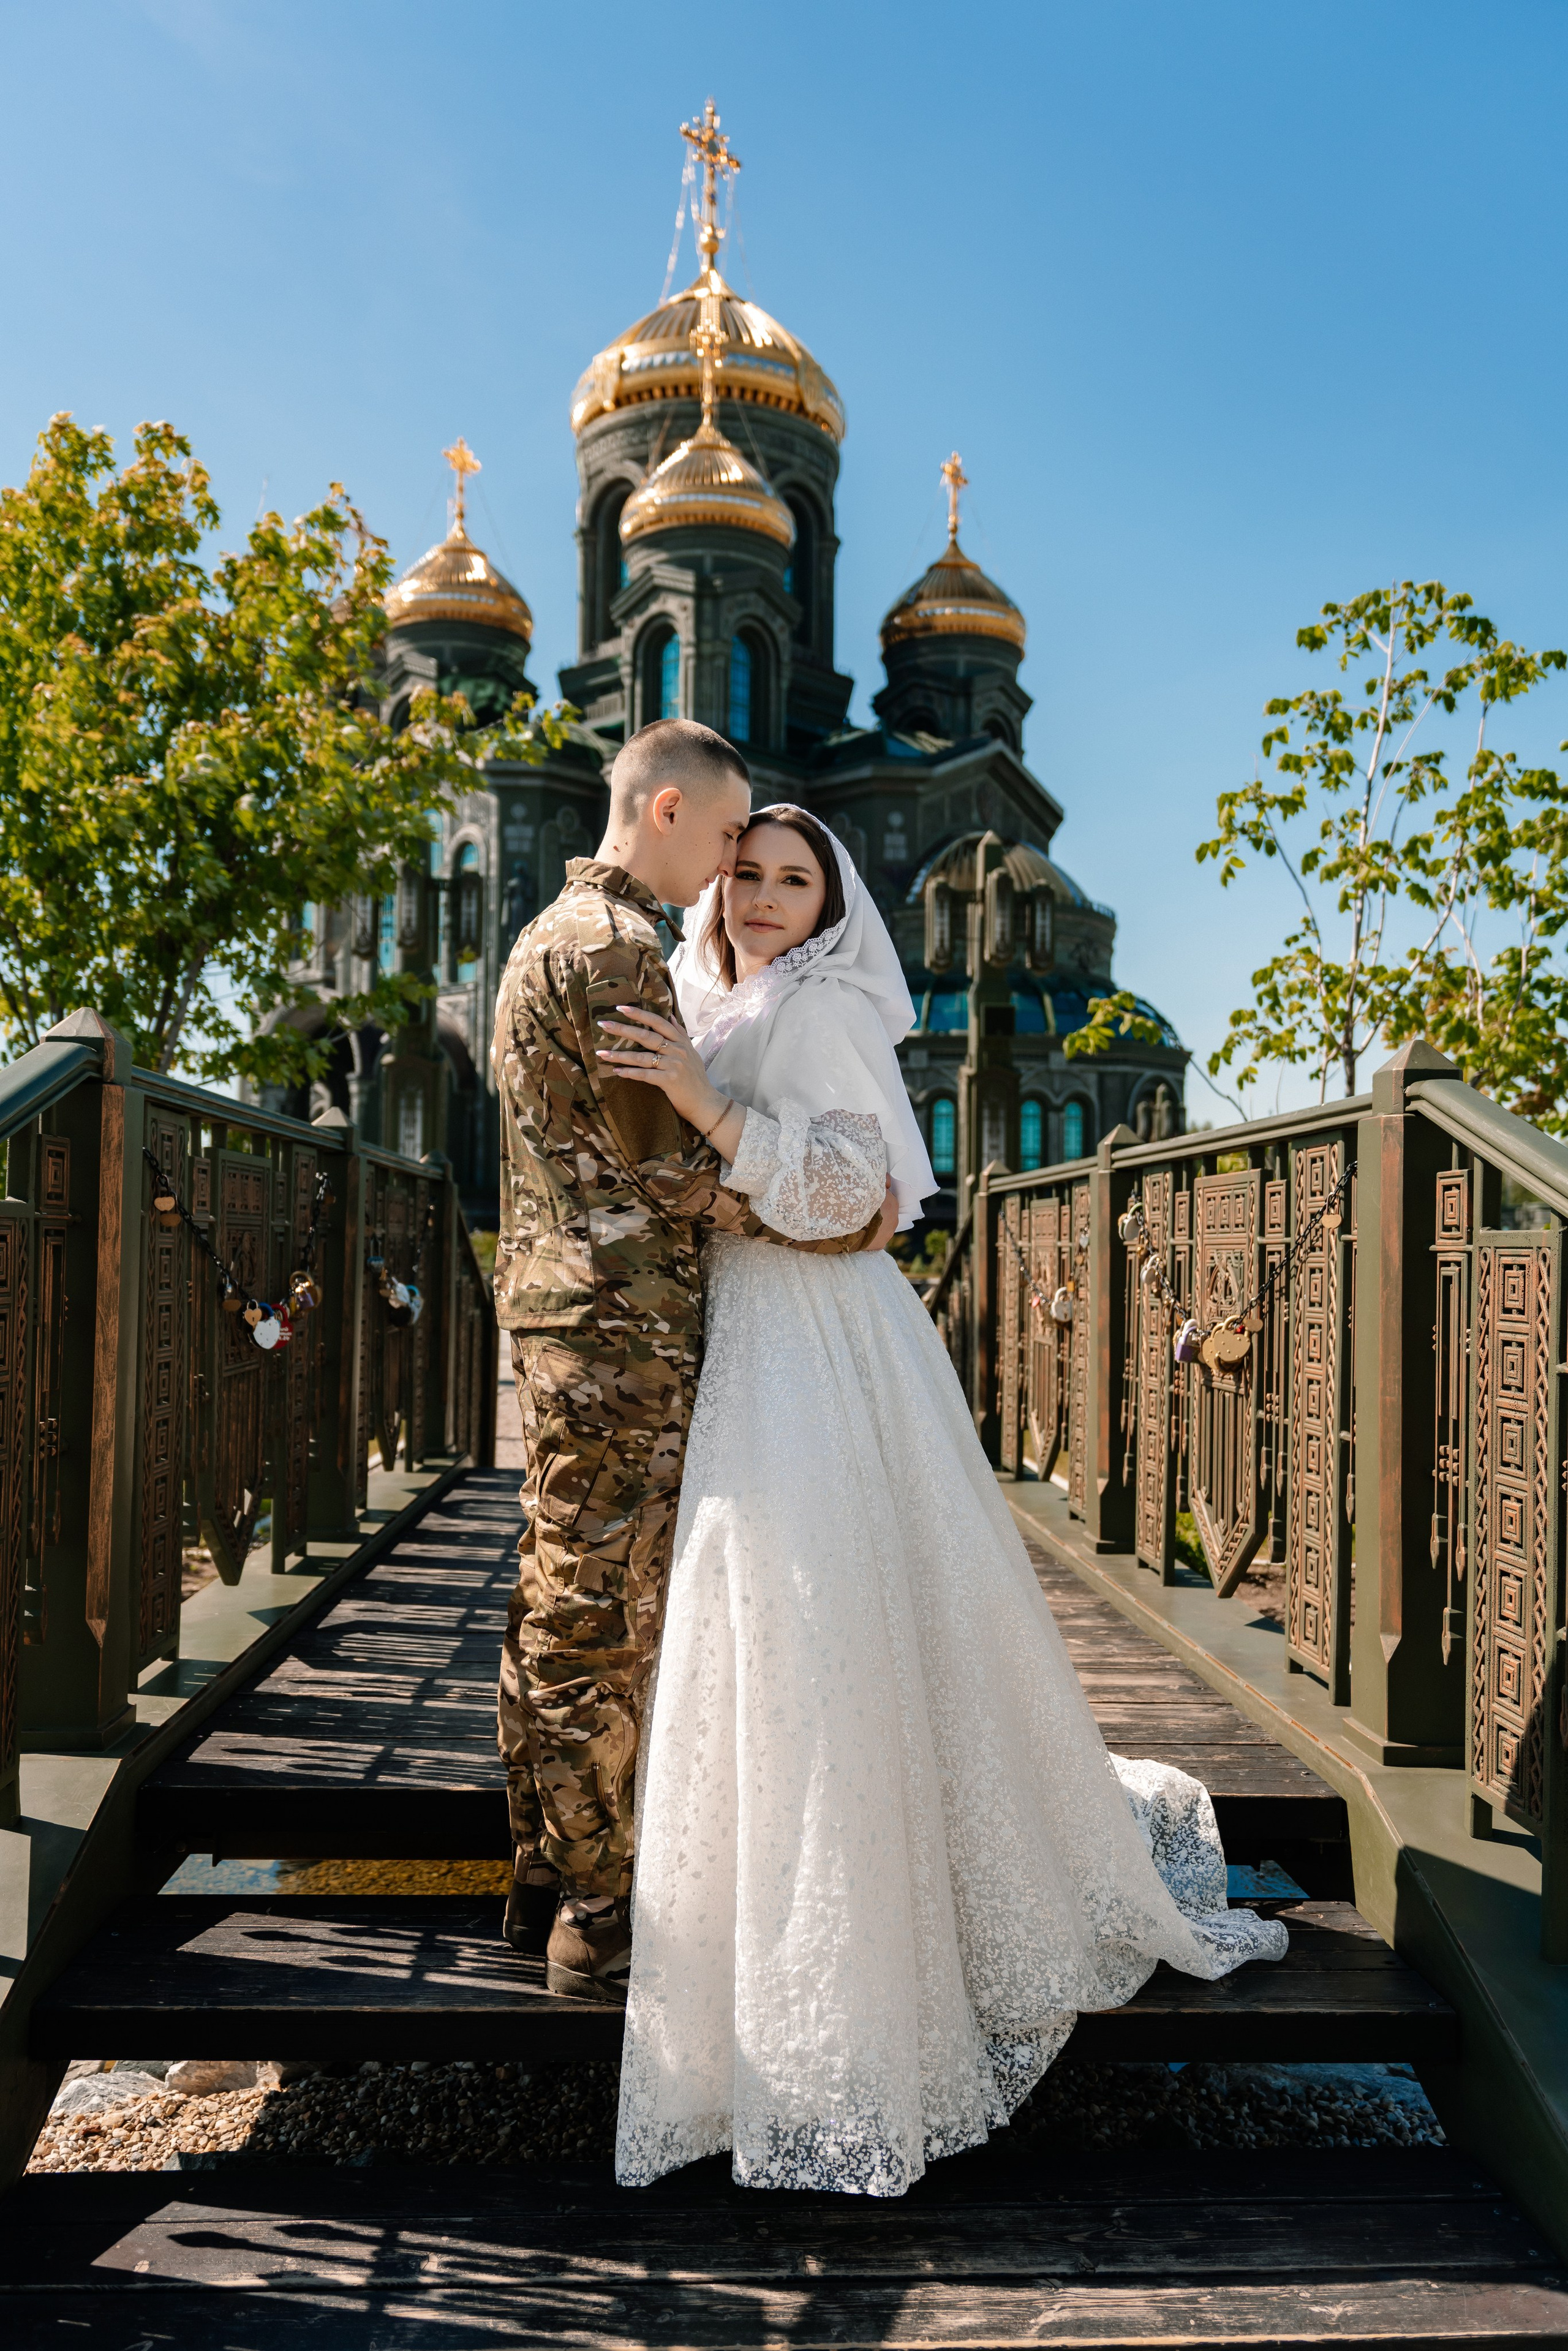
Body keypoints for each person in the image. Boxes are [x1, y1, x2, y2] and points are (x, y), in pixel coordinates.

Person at [597, 805, 1287, 2197]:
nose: (769, 897)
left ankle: (859, 2002)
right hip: (738, 1332)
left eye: (798, 879)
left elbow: (856, 1188)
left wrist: (701, 1101)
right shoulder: (700, 986)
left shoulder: (832, 1007)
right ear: (713, 878)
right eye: (748, 873)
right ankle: (749, 1980)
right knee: (763, 1628)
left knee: (819, 1616)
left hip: (818, 1336)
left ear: (834, 900)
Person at [491, 726, 896, 2006]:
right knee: (599, 1616)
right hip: (618, 1327)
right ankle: (595, 1913)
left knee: (556, 1590)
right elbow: (668, 1166)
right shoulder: (614, 951)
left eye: (775, 868)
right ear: (665, 809)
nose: (736, 873)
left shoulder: (541, 932)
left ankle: (540, 1863)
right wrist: (834, 1217)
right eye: (729, 842)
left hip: (571, 1314)